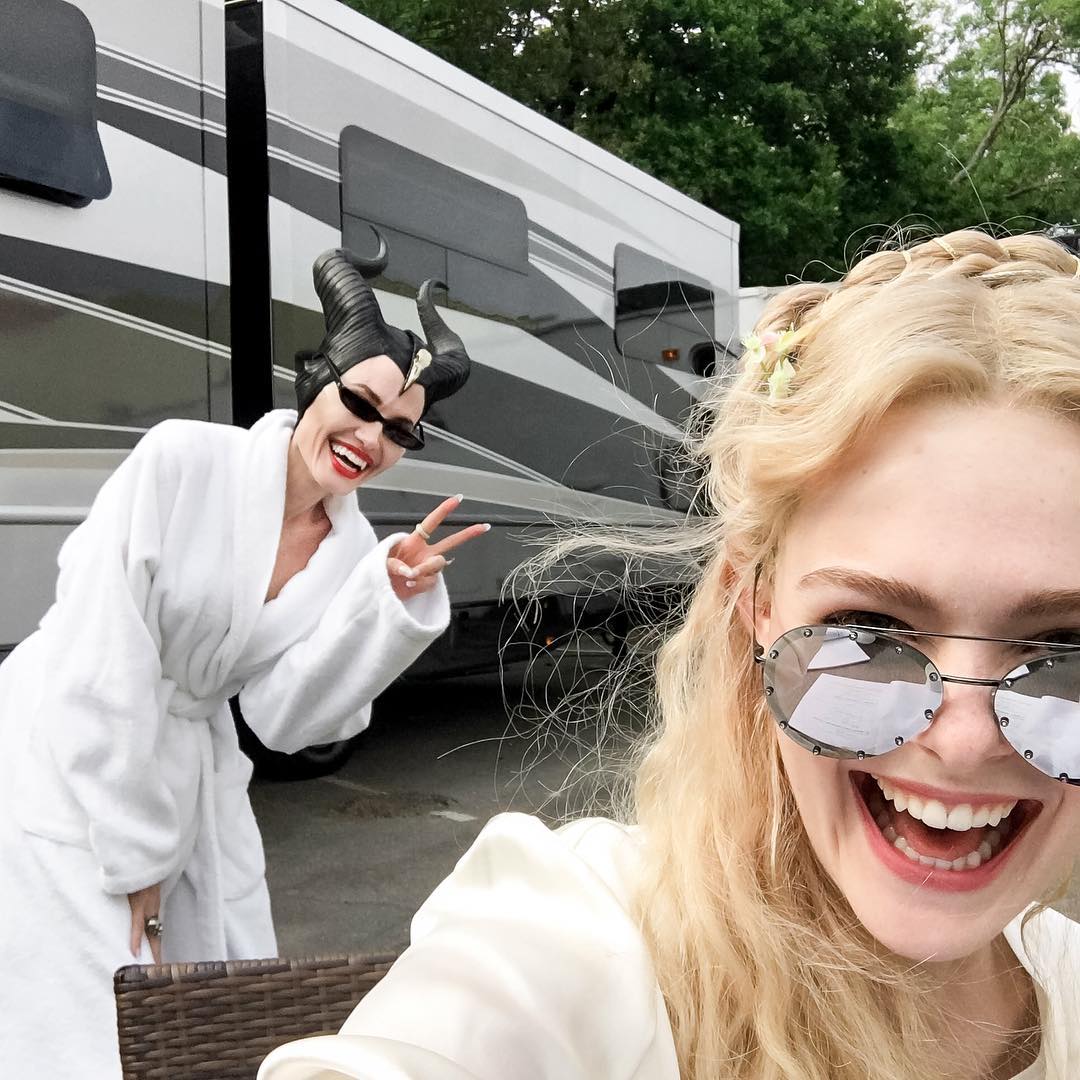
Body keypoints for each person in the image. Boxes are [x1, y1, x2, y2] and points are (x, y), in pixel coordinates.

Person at [260, 229, 1080, 1080]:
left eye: (1068, 649)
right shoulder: (584, 940)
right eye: (869, 630)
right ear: (753, 607)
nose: (966, 741)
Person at [0, 241, 489, 1078]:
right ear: (316, 380)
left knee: (211, 1000)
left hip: (192, 775)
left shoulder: (350, 550)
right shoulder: (181, 460)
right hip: (69, 749)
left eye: (399, 430)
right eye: (360, 403)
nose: (370, 438)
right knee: (86, 1007)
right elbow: (99, 651)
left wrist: (385, 604)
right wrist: (137, 854)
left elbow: (284, 719)